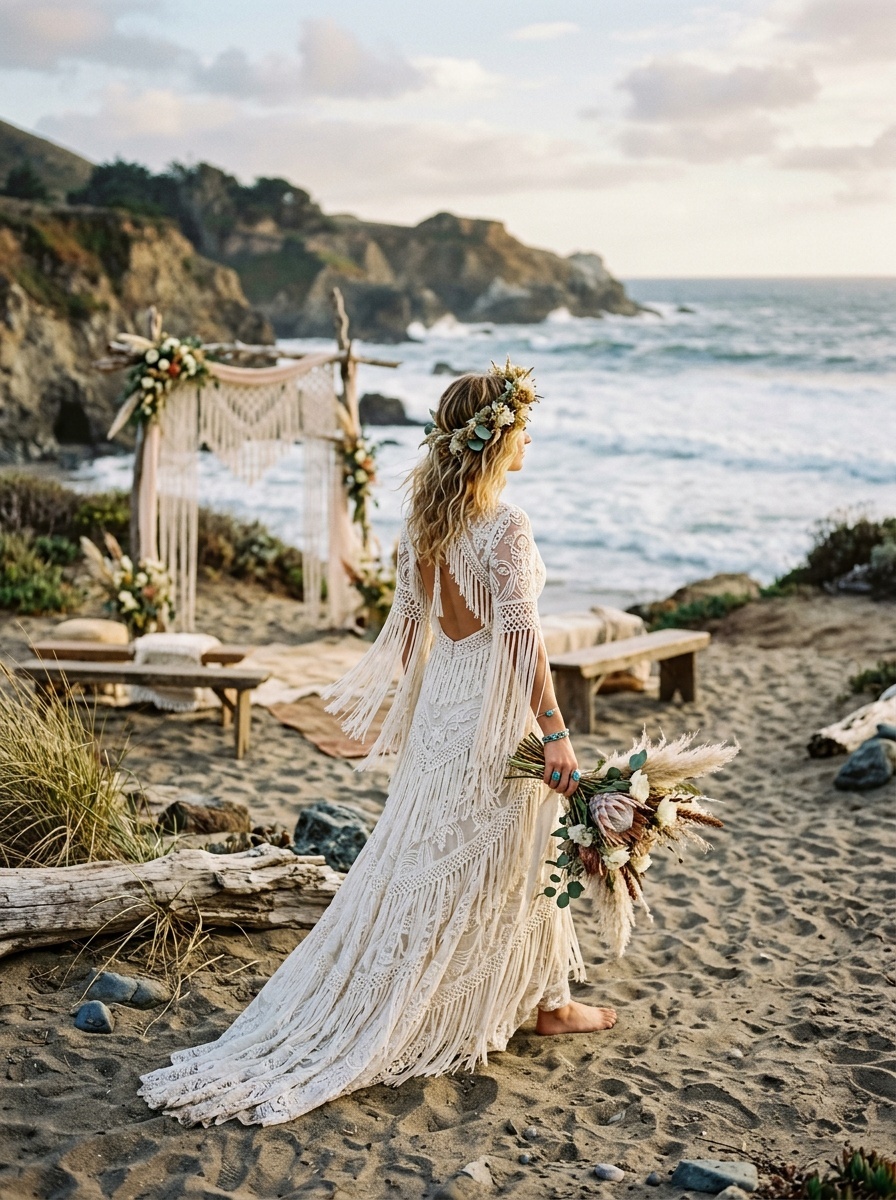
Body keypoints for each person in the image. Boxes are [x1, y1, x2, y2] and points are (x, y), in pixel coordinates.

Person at [138, 359, 616, 1128]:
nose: (528, 438)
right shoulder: (505, 526)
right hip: (493, 713)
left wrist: (392, 713)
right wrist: (556, 733)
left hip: (444, 712)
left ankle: (539, 997)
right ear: (495, 438)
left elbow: (405, 635)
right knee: (523, 852)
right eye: (521, 426)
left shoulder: (427, 523)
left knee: (436, 859)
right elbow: (525, 643)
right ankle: (537, 1005)